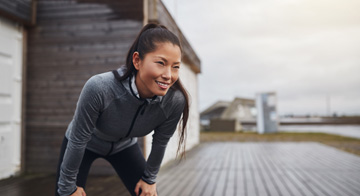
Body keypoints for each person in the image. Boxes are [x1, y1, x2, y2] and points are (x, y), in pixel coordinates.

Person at [55, 23, 189, 196]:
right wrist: (67, 188)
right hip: (84, 144)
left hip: (124, 147)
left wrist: (149, 179)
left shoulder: (174, 101)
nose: (168, 75)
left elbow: (160, 142)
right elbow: (78, 140)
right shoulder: (99, 88)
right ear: (137, 61)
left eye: (175, 66)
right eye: (160, 63)